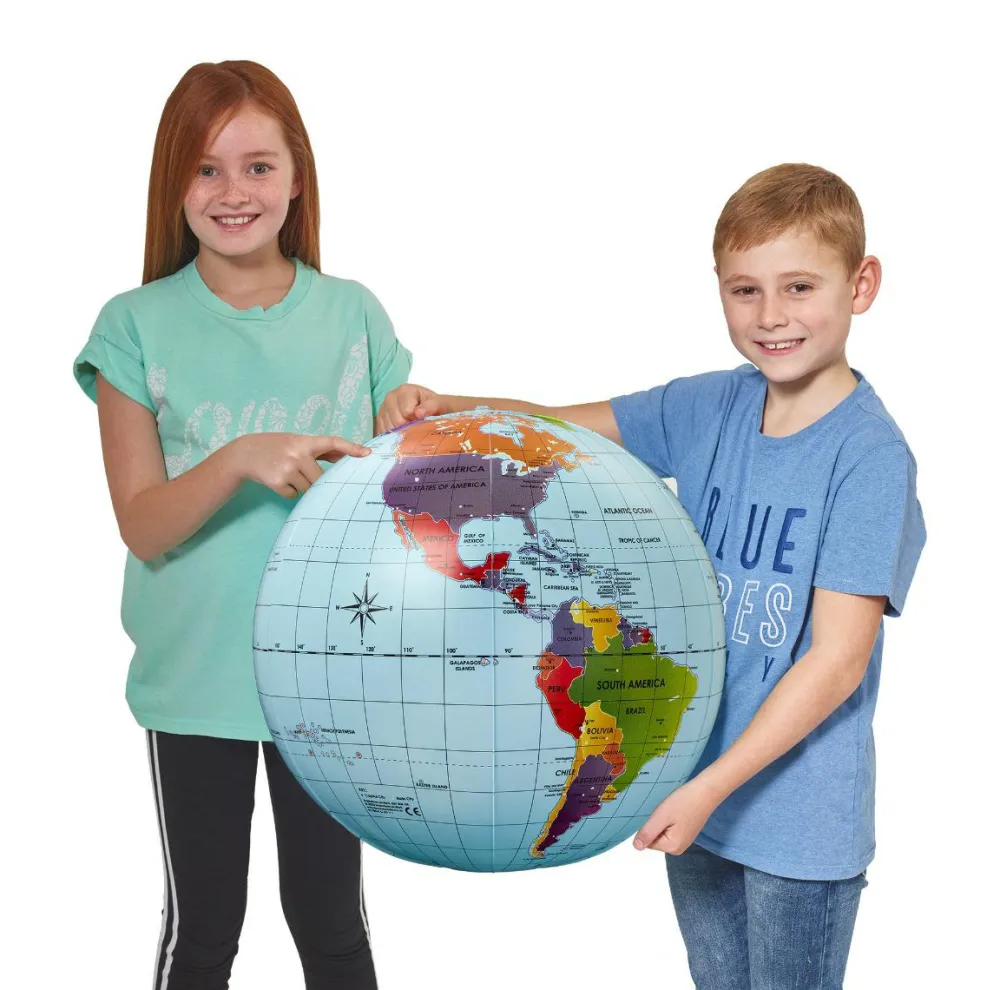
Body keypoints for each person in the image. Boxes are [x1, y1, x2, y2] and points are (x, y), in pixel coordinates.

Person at [375, 163, 926, 990]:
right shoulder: (709, 407)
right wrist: (447, 407)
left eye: (799, 286)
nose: (771, 316)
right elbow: (564, 429)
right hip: (692, 790)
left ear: (862, 284)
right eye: (744, 290)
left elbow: (837, 660)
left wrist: (708, 789)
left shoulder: (870, 457)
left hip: (794, 822)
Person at [73, 61, 411, 990]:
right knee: (205, 930)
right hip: (197, 680)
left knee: (332, 928)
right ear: (173, 183)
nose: (234, 192)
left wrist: (413, 419)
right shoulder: (133, 325)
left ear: (297, 177)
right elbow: (144, 526)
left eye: (258, 166)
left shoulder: (354, 314)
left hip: (331, 679)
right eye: (206, 168)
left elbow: (400, 481)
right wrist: (237, 458)